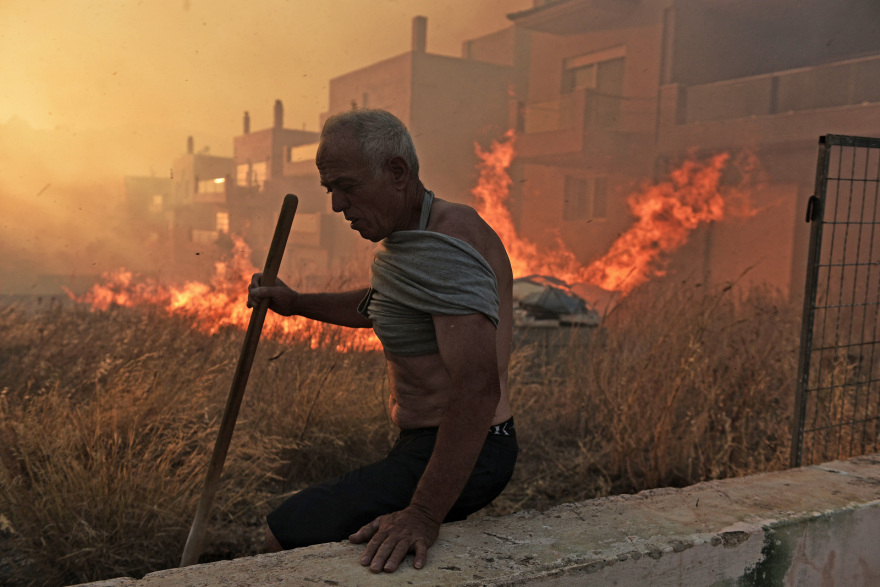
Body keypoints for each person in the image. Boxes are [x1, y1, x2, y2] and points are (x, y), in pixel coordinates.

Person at [247, 108, 516, 574]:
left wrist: (424, 515)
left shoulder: (445, 245)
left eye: (347, 187)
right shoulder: (416, 237)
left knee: (285, 532)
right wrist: (295, 303)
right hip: (430, 441)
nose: (336, 205)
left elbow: (477, 389)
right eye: (330, 190)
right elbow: (383, 305)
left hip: (470, 446)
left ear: (397, 172)